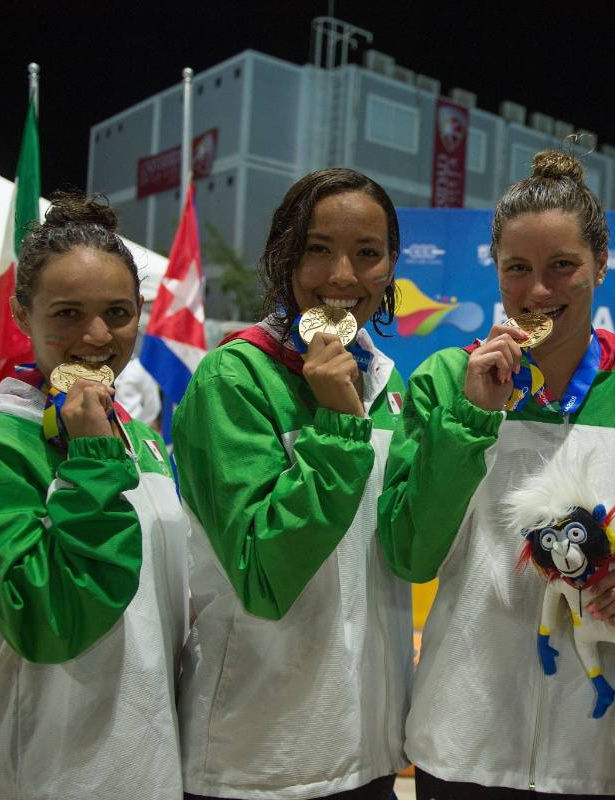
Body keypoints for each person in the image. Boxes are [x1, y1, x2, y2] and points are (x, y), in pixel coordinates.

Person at [378, 150, 615, 799]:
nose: (538, 292)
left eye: (562, 267)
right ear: (496, 267)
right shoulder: (447, 379)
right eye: (517, 268)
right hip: (466, 740)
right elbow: (412, 551)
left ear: (601, 265)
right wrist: (472, 417)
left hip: (606, 752)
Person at [0, 194, 188, 799]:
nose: (96, 336)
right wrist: (89, 460)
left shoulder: (139, 439)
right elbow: (48, 623)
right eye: (67, 313)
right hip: (44, 774)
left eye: (117, 312)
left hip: (149, 765)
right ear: (22, 314)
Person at [172, 168, 412, 800]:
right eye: (317, 249)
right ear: (284, 256)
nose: (342, 276)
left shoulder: (387, 383)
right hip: (259, 754)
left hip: (366, 743)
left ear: (391, 266)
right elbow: (263, 575)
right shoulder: (234, 378)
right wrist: (337, 424)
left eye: (367, 253)